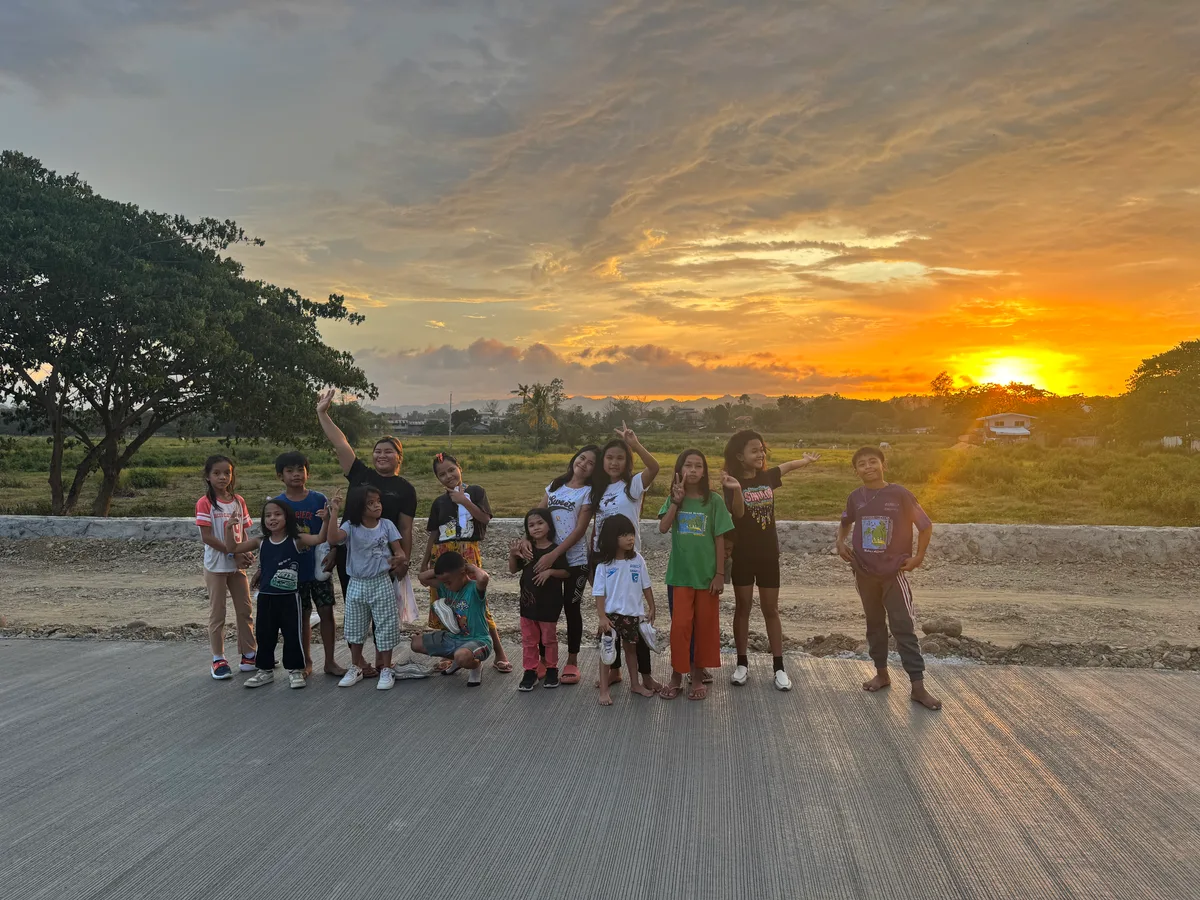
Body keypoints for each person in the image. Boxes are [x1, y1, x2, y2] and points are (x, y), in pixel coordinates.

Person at [316, 388, 417, 678]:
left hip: (385, 561)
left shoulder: (405, 489)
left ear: (399, 458)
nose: (381, 455)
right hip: (352, 557)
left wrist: (404, 560)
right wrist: (323, 413)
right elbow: (340, 442)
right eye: (377, 450)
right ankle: (358, 662)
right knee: (355, 608)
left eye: (389, 451)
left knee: (384, 611)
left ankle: (383, 661)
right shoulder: (360, 474)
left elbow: (406, 527)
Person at [836, 447, 942, 710]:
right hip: (863, 572)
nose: (868, 467)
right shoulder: (855, 498)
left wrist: (918, 557)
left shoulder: (900, 494)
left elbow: (925, 525)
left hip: (894, 572)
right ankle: (881, 674)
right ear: (856, 470)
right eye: (862, 464)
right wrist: (840, 542)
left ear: (883, 465)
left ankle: (917, 686)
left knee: (903, 626)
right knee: (874, 624)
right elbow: (846, 521)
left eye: (873, 462)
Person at [722, 429, 820, 691]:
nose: (760, 453)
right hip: (743, 555)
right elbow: (738, 515)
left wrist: (805, 461)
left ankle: (779, 667)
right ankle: (742, 664)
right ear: (739, 456)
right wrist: (737, 490)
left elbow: (786, 467)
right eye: (754, 450)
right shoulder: (730, 482)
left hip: (768, 555)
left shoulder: (767, 477)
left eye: (762, 448)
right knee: (743, 608)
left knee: (771, 609)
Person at [223, 498, 332, 689]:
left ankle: (296, 670)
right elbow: (233, 548)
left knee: (292, 635)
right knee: (265, 635)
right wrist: (228, 529)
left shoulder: (296, 539)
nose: (272, 518)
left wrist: (326, 521)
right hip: (266, 597)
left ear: (287, 517)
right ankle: (264, 671)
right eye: (268, 515)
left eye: (277, 514)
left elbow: (319, 539)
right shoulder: (261, 542)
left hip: (290, 597)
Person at [420, 452, 512, 672]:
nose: (448, 476)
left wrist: (463, 501)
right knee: (447, 604)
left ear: (459, 468)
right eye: (442, 474)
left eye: (451, 470)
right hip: (442, 555)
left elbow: (484, 518)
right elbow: (434, 533)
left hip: (467, 553)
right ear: (437, 478)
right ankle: (455, 654)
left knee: (477, 605)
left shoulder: (476, 492)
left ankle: (499, 652)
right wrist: (425, 563)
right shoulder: (439, 502)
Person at [589, 424, 661, 694]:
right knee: (609, 618)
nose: (614, 462)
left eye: (620, 457)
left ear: (627, 460)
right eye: (609, 457)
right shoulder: (598, 489)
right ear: (602, 461)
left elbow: (654, 468)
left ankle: (645, 677)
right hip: (603, 560)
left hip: (630, 560)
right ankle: (615, 671)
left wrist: (635, 443)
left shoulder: (632, 486)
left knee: (634, 619)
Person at [518, 445, 598, 685]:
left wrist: (555, 556)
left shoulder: (589, 492)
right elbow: (537, 513)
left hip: (574, 560)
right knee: (544, 607)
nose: (583, 464)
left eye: (591, 463)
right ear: (575, 458)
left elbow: (580, 530)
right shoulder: (555, 485)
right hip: (544, 555)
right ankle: (543, 660)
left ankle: (572, 660)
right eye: (582, 457)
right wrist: (525, 539)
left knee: (571, 608)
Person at [658, 450, 733, 701]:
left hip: (707, 577)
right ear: (680, 469)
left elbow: (720, 537)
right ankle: (677, 675)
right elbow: (663, 527)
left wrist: (720, 574)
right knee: (680, 627)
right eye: (687, 465)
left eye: (698, 466)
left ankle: (698, 676)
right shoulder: (674, 499)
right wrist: (676, 502)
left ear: (704, 471)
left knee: (704, 628)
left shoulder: (713, 501)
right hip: (680, 576)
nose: (692, 470)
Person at [273, 451, 345, 678]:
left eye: (300, 470)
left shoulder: (319, 499)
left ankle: (330, 661)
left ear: (308, 472)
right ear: (280, 476)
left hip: (319, 567)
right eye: (290, 471)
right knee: (302, 616)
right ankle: (306, 662)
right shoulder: (278, 504)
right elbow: (273, 538)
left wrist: (334, 552)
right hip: (293, 570)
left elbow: (332, 530)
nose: (296, 475)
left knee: (326, 612)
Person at [327, 486, 405, 690]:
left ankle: (386, 669)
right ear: (358, 506)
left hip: (381, 581)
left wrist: (399, 560)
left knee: (386, 626)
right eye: (370, 503)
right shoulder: (351, 526)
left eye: (378, 501)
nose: (377, 505)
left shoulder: (386, 525)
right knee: (354, 626)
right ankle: (355, 666)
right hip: (357, 582)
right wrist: (334, 510)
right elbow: (333, 539)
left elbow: (400, 551)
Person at [195, 455, 256, 680]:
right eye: (217, 473)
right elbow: (207, 537)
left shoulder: (238, 501)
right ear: (208, 477)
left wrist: (246, 551)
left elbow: (244, 531)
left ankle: (249, 654)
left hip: (237, 565)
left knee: (244, 609)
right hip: (216, 566)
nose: (222, 477)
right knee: (218, 613)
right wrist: (233, 553)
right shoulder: (205, 503)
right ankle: (218, 659)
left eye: (227, 473)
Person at [593, 515, 657, 706]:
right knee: (607, 653)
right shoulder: (604, 565)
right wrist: (602, 616)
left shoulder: (638, 560)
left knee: (631, 651)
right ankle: (604, 691)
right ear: (612, 537)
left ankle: (635, 684)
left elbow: (646, 585)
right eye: (624, 535)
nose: (630, 538)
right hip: (610, 617)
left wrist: (652, 606)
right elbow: (599, 593)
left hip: (632, 615)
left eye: (631, 533)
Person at [413, 552, 493, 688]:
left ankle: (476, 665)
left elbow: (484, 578)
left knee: (462, 656)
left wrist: (471, 567)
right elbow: (422, 578)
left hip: (478, 640)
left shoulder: (474, 589)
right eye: (444, 582)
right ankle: (457, 660)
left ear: (462, 573)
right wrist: (441, 572)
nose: (446, 586)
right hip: (453, 638)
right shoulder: (446, 587)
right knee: (416, 643)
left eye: (448, 582)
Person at [509, 509, 568, 691]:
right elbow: (513, 570)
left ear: (549, 525)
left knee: (549, 639)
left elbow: (566, 572)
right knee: (528, 640)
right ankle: (530, 670)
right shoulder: (526, 550)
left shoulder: (554, 550)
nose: (536, 528)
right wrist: (512, 554)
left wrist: (550, 571)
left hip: (549, 605)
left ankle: (551, 668)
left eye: (540, 523)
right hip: (527, 606)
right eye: (531, 525)